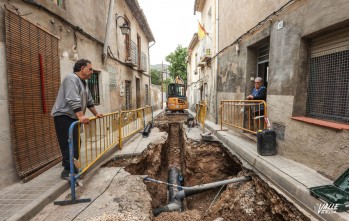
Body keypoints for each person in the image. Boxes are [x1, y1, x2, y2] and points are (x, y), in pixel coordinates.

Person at [51, 59, 103, 179]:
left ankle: (72, 167)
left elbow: (89, 100)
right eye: (90, 69)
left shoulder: (83, 83)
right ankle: (67, 171)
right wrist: (81, 116)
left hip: (72, 117)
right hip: (63, 116)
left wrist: (96, 114)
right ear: (82, 69)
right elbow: (72, 98)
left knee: (76, 143)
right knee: (68, 144)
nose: (91, 71)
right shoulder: (71, 78)